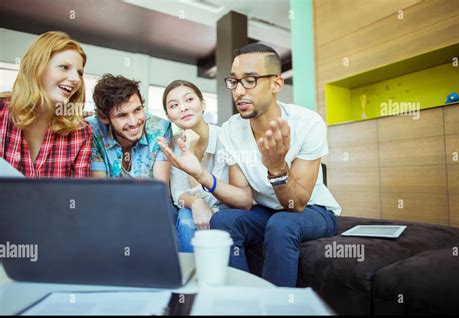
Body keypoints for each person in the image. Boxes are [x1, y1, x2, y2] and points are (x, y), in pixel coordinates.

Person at [159, 43, 341, 287]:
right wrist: (201, 174)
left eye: (250, 80)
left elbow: (296, 203)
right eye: (234, 81)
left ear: (276, 84)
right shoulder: (233, 128)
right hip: (265, 210)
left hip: (312, 209)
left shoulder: (308, 123)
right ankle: (241, 299)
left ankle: (273, 306)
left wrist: (277, 169)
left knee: (282, 223)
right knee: (223, 221)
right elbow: (243, 198)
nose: (239, 91)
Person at [0, 31, 92, 177]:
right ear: (37, 67)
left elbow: (78, 194)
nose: (76, 79)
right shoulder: (2, 113)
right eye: (64, 67)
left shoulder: (80, 132)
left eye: (79, 73)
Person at [163, 80, 230, 252]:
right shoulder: (172, 144)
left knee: (187, 217)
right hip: (192, 208)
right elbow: (178, 193)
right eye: (174, 105)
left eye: (189, 100)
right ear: (169, 116)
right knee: (186, 217)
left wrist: (190, 154)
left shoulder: (224, 137)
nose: (183, 108)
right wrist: (196, 202)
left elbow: (215, 198)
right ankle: (189, 275)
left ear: (203, 104)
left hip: (226, 208)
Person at [86, 74, 172, 181]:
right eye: (122, 115)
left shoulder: (161, 129)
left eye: (137, 110)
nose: (134, 122)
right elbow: (100, 190)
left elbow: (161, 189)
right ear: (104, 118)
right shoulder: (92, 131)